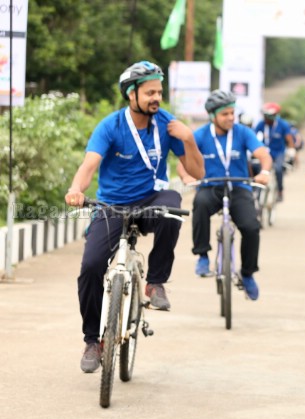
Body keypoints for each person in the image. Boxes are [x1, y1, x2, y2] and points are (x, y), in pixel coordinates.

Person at [65, 61, 204, 373]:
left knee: (173, 206)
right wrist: (75, 189)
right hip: (112, 205)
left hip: (152, 200)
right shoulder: (111, 127)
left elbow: (196, 173)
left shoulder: (168, 125)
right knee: (90, 267)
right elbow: (89, 166)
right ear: (131, 94)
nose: (157, 97)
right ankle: (92, 340)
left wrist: (190, 139)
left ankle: (155, 283)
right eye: (150, 92)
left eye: (159, 91)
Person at [183, 89, 272, 300]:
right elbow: (184, 163)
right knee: (200, 205)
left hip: (239, 187)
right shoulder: (200, 135)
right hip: (210, 187)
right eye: (225, 114)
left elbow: (263, 154)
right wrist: (186, 177)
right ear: (213, 116)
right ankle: (202, 255)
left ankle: (248, 274)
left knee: (251, 227)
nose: (231, 118)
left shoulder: (242, 132)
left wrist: (265, 172)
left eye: (232, 113)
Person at [253, 102, 295, 201]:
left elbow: (289, 139)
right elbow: (253, 136)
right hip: (265, 151)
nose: (265, 118)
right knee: (258, 168)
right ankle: (257, 192)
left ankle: (280, 191)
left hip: (279, 152)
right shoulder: (261, 124)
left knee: (278, 169)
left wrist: (292, 149)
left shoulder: (282, 124)